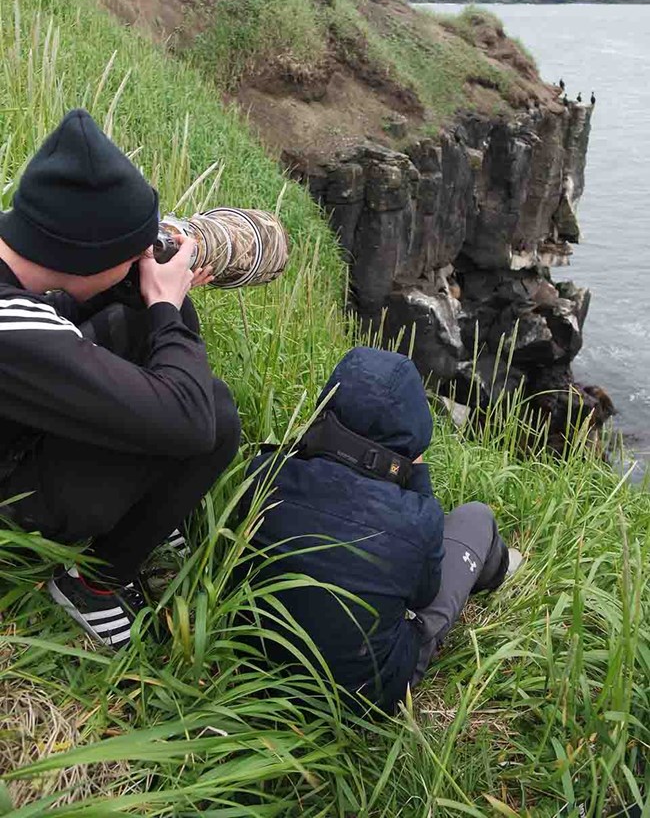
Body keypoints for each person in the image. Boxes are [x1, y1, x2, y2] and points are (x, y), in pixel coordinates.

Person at [0, 109, 241, 647]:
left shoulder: (21, 251)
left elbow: (71, 292)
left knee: (148, 326)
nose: (146, 258)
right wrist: (165, 307)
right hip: (10, 485)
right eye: (136, 252)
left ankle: (153, 507)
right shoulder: (12, 330)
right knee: (215, 416)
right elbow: (190, 421)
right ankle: (94, 585)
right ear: (82, 258)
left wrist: (147, 293)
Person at [238, 347, 521, 713]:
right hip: (364, 693)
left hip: (256, 656)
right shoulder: (417, 521)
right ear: (414, 434)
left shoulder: (262, 472)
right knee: (476, 516)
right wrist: (416, 477)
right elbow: (424, 594)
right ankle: (498, 570)